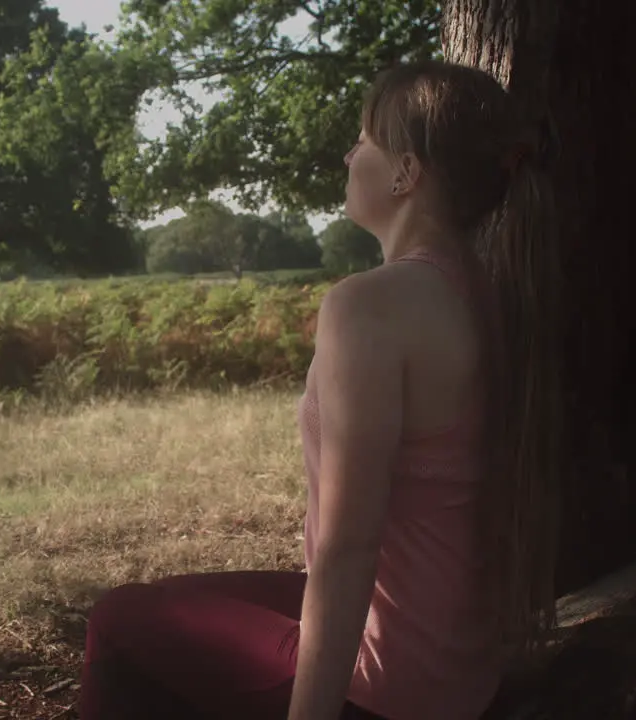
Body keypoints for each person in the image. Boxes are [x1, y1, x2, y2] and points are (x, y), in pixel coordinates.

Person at [77, 58, 564, 720]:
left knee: (115, 620)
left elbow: (347, 545)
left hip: (393, 690)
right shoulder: (487, 291)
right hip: (460, 668)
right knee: (170, 599)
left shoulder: (370, 306)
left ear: (406, 172)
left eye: (364, 139)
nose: (347, 153)